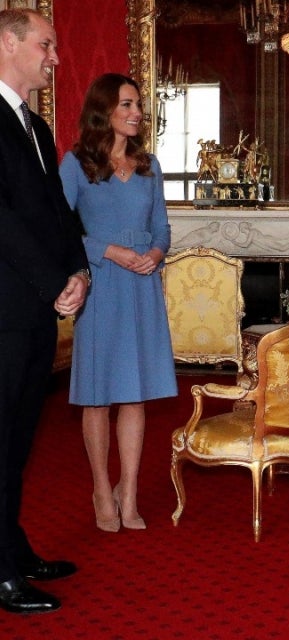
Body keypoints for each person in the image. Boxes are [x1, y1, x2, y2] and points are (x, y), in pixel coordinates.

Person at [0, 8, 90, 614]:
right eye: (46, 44)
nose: (54, 57)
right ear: (7, 44)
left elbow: (58, 211)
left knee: (19, 440)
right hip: (4, 310)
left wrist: (79, 271)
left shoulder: (33, 125)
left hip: (34, 309)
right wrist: (51, 281)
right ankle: (1, 573)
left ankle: (11, 545)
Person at [60, 73, 177, 534]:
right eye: (127, 104)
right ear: (104, 109)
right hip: (102, 285)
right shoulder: (76, 164)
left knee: (134, 393)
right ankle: (100, 487)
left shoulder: (149, 165)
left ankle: (127, 492)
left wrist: (152, 254)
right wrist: (109, 252)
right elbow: (62, 230)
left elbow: (163, 229)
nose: (136, 113)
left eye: (139, 106)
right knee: (98, 394)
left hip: (142, 288)